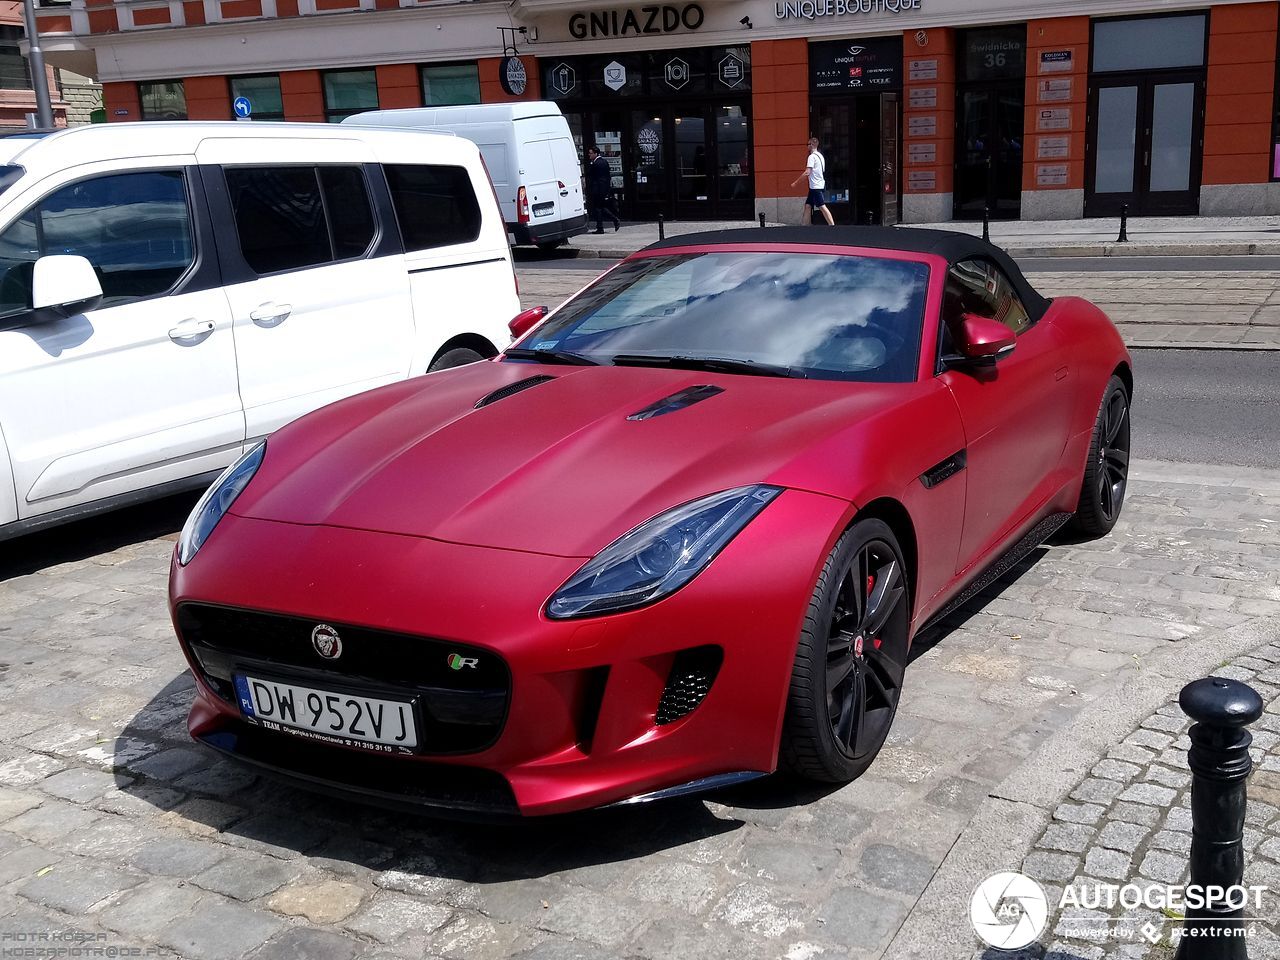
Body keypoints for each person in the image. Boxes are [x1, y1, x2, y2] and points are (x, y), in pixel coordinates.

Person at [790, 136, 835, 226]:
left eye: (808, 144)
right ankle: (805, 225)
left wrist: (796, 182)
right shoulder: (820, 156)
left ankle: (832, 225)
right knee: (808, 205)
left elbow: (807, 172)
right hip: (817, 185)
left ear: (811, 145)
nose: (807, 146)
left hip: (815, 186)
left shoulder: (811, 157)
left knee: (822, 206)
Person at [585, 145, 620, 234]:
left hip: (598, 189)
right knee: (601, 207)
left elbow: (591, 176)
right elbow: (607, 176)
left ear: (596, 153)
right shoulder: (604, 162)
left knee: (598, 208)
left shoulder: (596, 164)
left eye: (591, 153)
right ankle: (610, 222)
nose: (589, 155)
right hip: (604, 189)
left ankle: (603, 226)